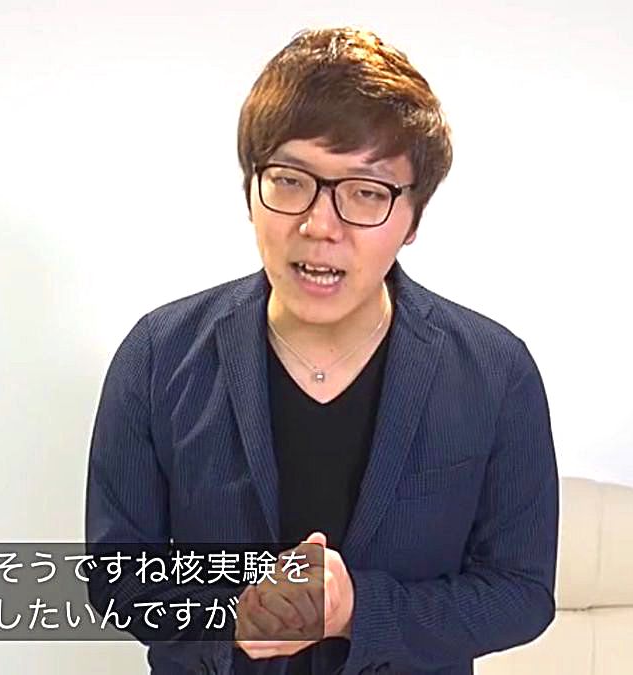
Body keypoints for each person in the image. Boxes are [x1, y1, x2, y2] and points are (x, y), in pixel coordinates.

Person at [85, 26, 559, 675]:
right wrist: (231, 614)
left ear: (413, 218)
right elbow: (115, 577)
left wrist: (357, 609)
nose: (319, 225)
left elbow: (521, 593)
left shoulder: (495, 371)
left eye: (366, 192)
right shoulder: (157, 354)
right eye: (289, 180)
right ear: (250, 191)